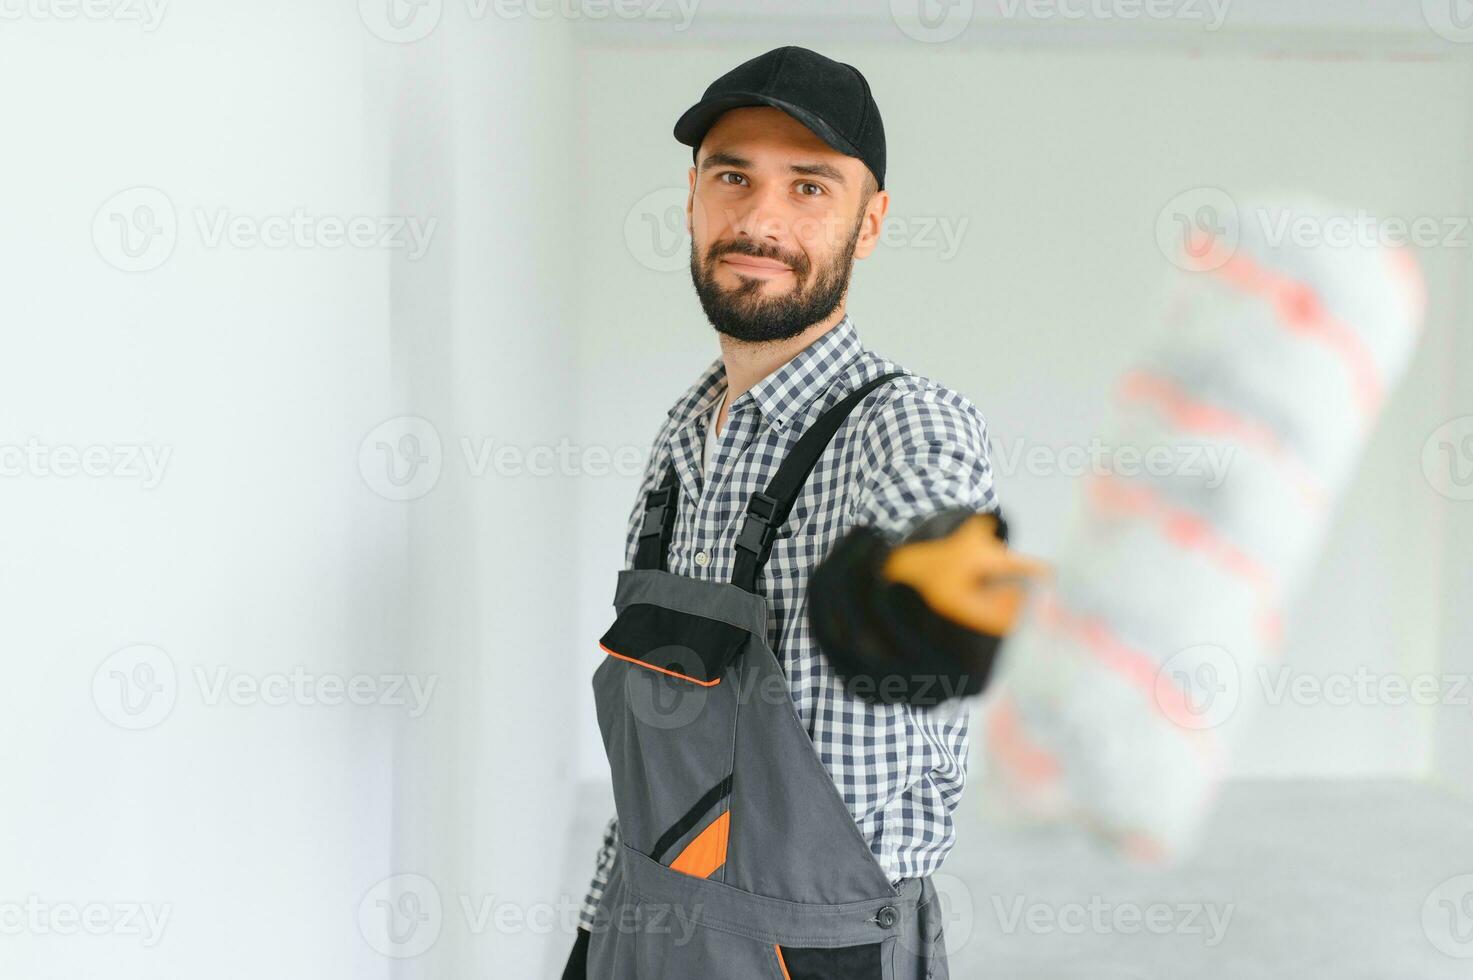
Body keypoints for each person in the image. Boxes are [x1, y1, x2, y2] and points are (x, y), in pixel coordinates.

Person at [564, 45, 1009, 980]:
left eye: (809, 187)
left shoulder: (908, 426)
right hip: (641, 931)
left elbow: (933, 548)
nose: (759, 219)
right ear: (692, 199)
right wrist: (594, 932)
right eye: (733, 177)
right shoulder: (683, 436)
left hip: (806, 952)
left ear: (870, 223)